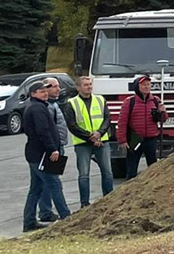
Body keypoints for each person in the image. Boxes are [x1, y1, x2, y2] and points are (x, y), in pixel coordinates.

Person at [22, 81, 69, 232]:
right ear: (33, 94)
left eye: (45, 91)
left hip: (36, 154)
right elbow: (42, 131)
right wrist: (52, 149)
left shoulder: (37, 106)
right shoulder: (37, 108)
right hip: (42, 154)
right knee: (54, 184)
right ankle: (66, 216)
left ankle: (29, 222)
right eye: (41, 91)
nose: (45, 93)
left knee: (36, 188)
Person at [64, 76, 114, 208]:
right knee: (84, 174)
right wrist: (91, 138)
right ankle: (84, 203)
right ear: (78, 87)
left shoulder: (100, 100)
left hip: (102, 141)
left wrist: (99, 134)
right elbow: (72, 125)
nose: (89, 87)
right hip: (82, 143)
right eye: (85, 85)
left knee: (108, 172)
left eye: (90, 84)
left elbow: (107, 119)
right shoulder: (72, 103)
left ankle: (109, 199)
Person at [116, 74, 166, 179]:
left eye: (148, 84)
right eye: (143, 85)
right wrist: (122, 140)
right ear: (137, 87)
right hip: (135, 139)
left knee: (153, 169)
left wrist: (162, 112)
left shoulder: (155, 101)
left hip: (151, 139)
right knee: (132, 170)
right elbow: (122, 122)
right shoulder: (129, 102)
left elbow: (163, 119)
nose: (147, 87)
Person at [36, 77, 69, 224]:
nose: (58, 89)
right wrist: (53, 148)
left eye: (58, 86)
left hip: (59, 145)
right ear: (46, 89)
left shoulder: (54, 104)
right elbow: (46, 130)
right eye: (54, 86)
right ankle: (51, 212)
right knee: (52, 181)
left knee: (43, 182)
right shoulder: (46, 107)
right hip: (53, 148)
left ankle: (45, 211)